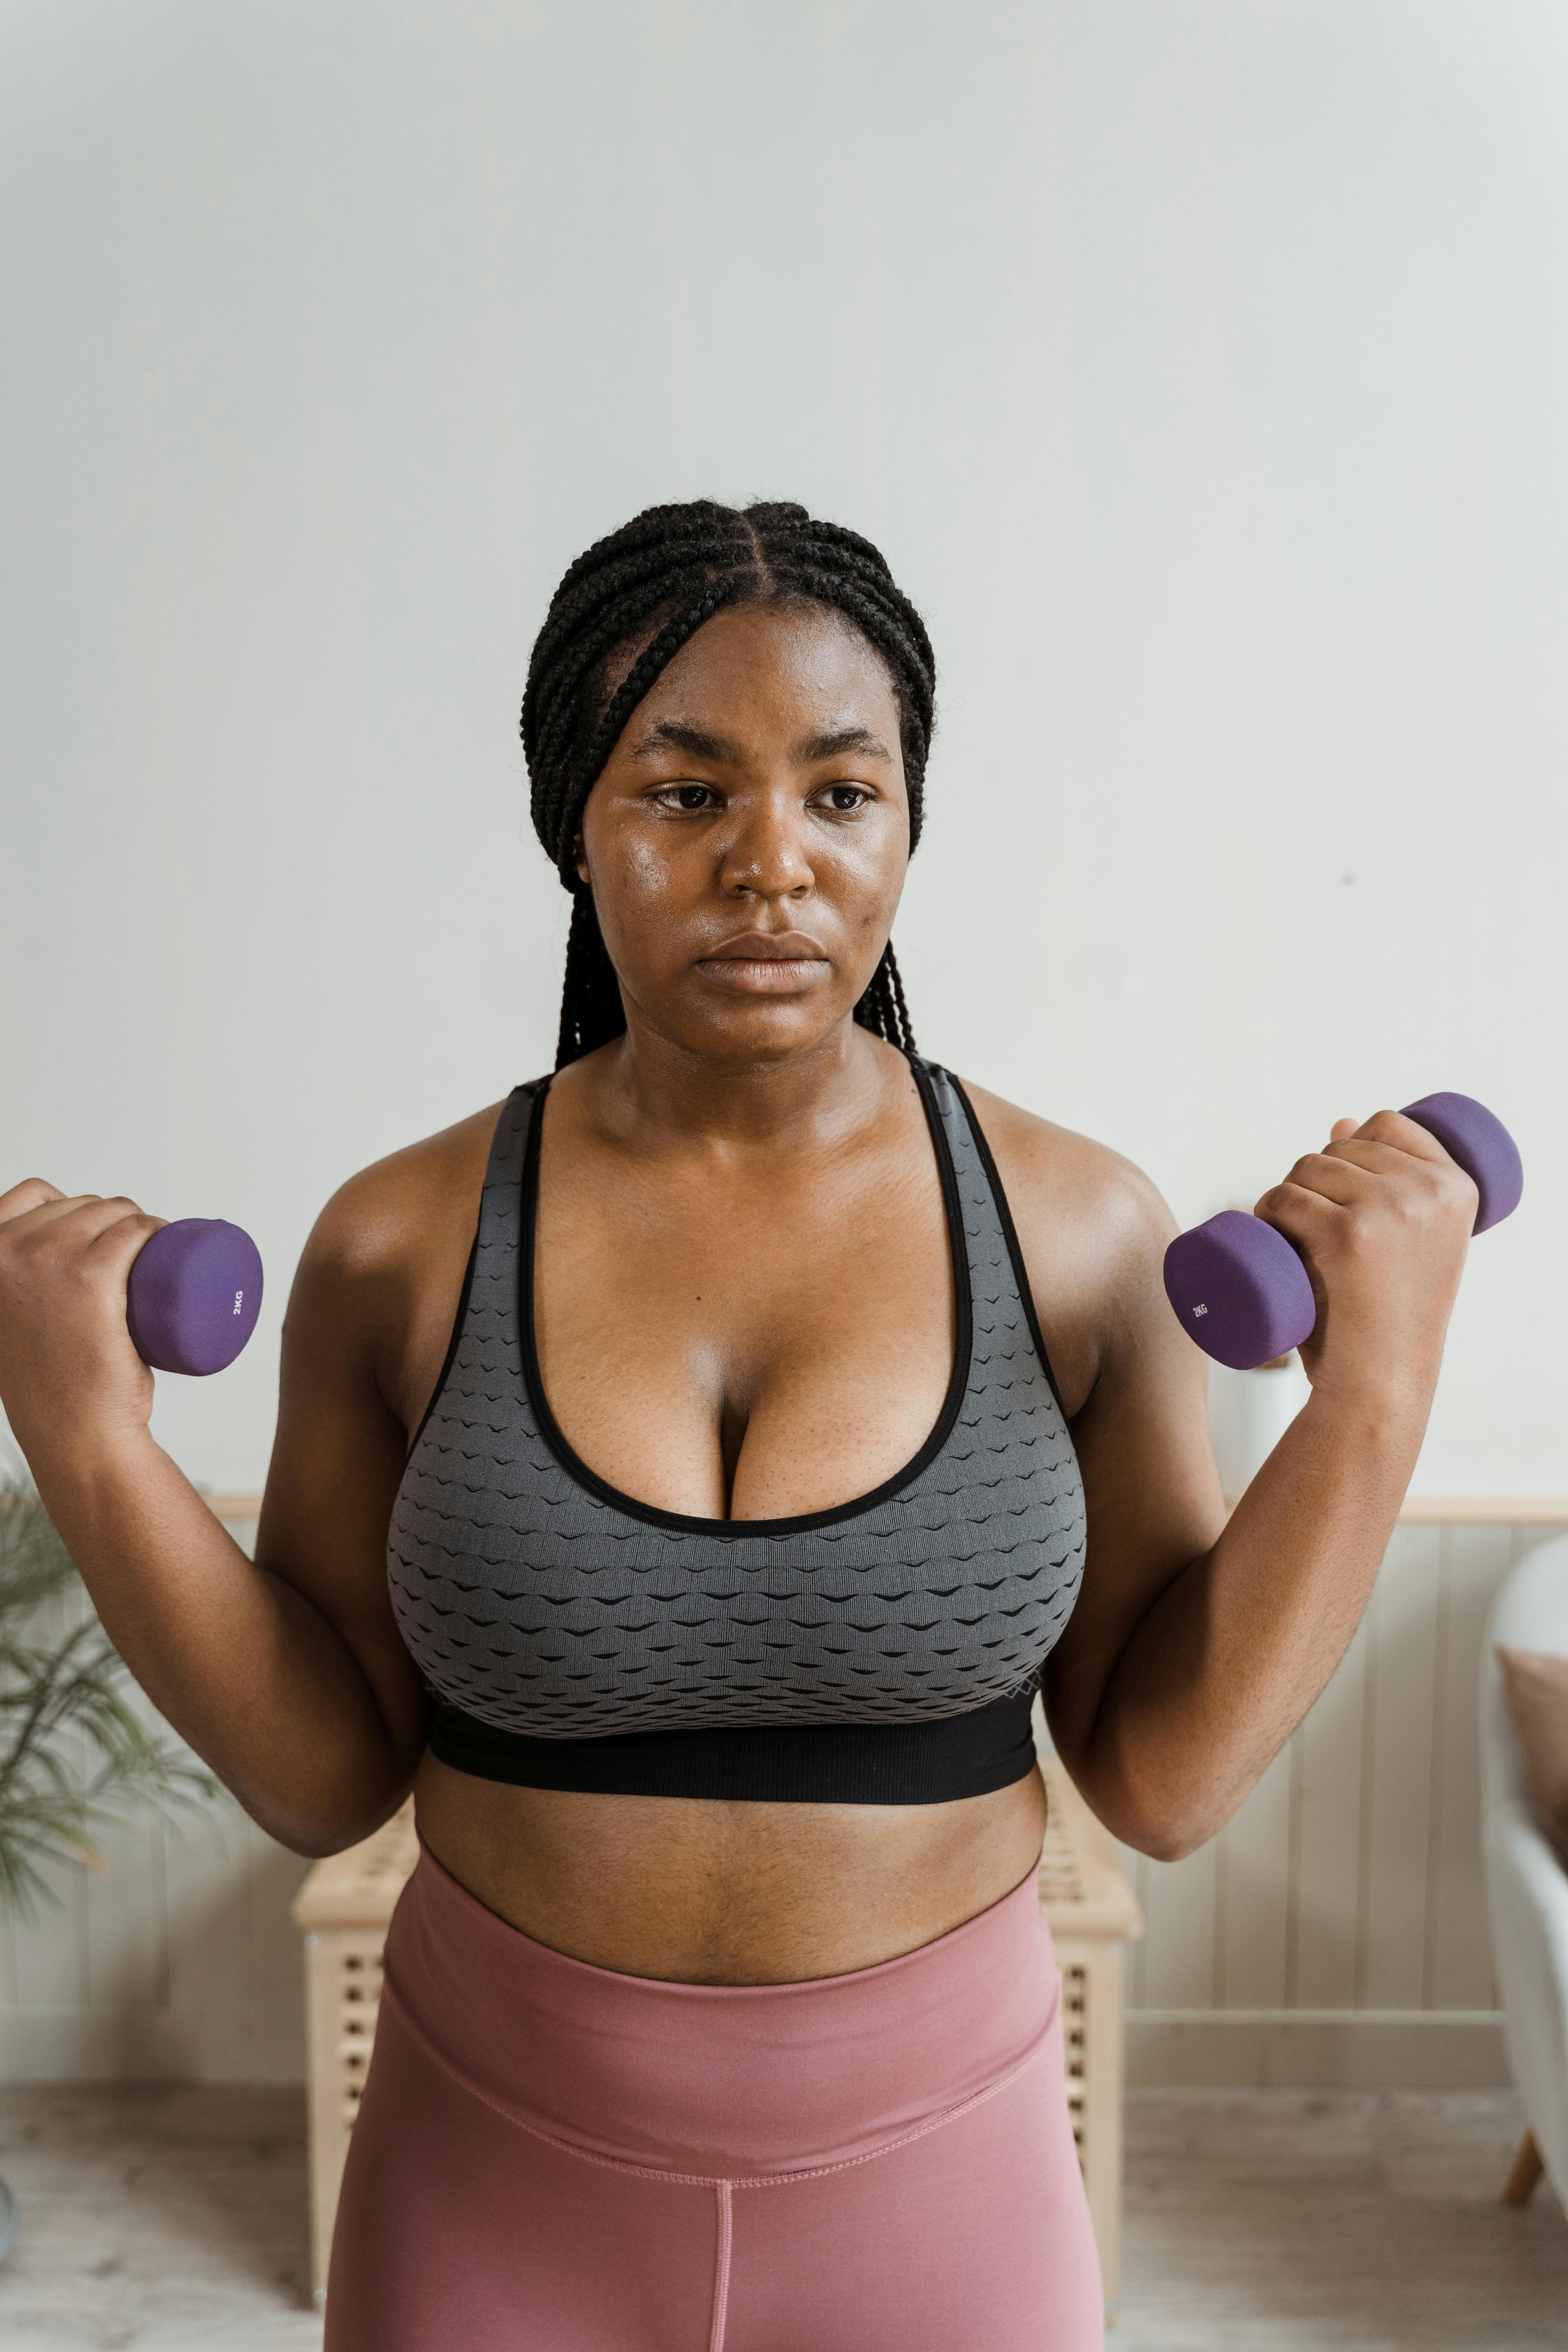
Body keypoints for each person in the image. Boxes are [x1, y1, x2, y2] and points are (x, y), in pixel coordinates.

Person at [0, 500, 1479, 2351]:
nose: (771, 865)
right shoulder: (402, 1243)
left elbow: (1162, 1781)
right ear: (575, 829)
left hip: (941, 2184)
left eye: (841, 796)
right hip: (492, 2167)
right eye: (685, 794)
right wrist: (92, 1444)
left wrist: (1382, 1386)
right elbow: (324, 1776)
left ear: (907, 829)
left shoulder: (1078, 1234)